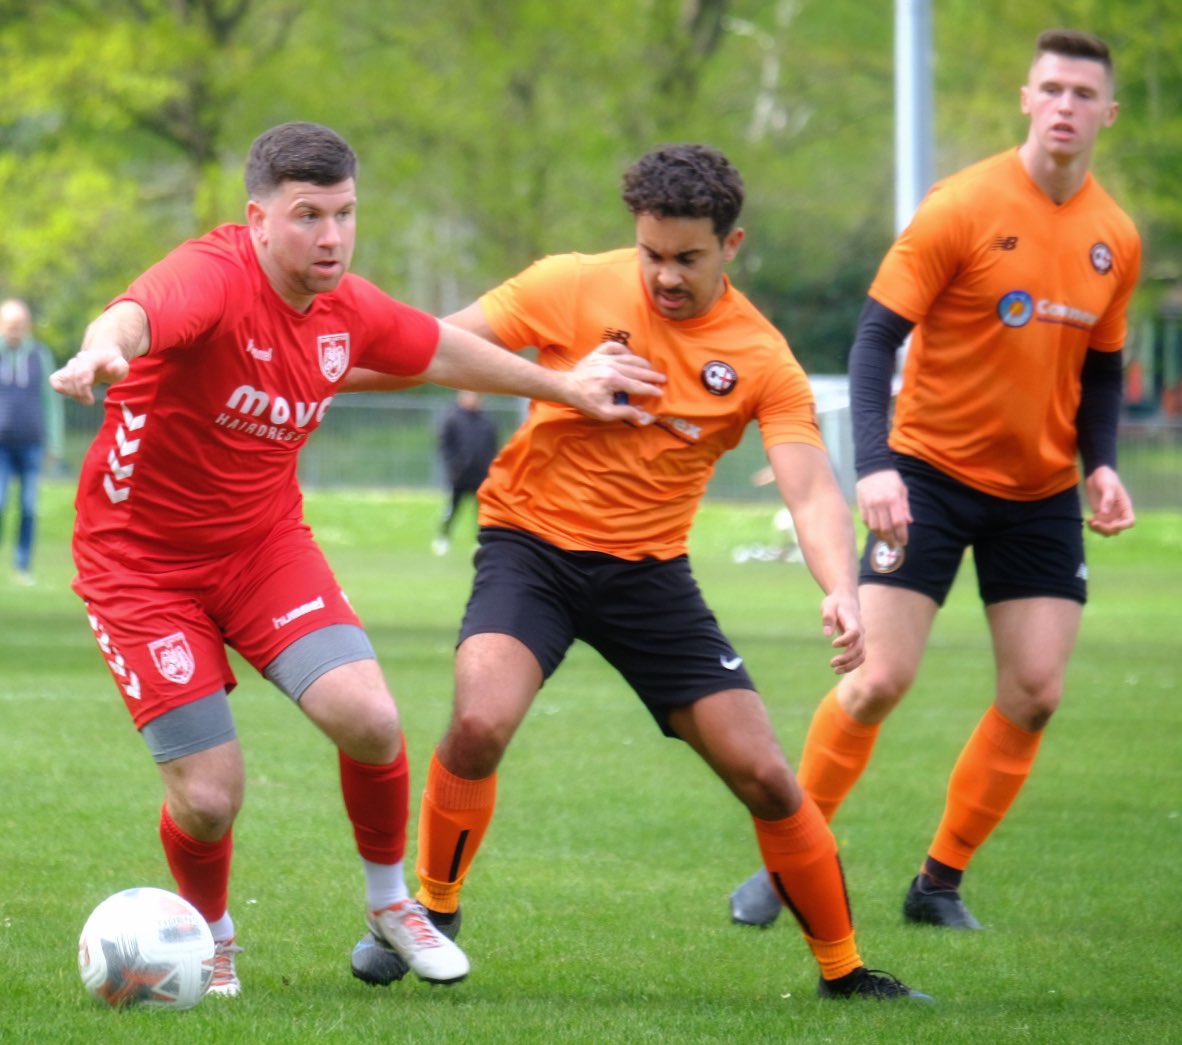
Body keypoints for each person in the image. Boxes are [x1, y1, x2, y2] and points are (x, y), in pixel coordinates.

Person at [49, 121, 664, 998]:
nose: (331, 236)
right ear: (259, 217)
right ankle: (212, 936)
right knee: (210, 795)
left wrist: (564, 385)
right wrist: (108, 344)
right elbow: (140, 311)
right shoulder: (212, 277)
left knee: (371, 718)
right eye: (308, 216)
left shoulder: (347, 308)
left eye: (344, 214)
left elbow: (438, 347)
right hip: (140, 568)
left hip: (262, 548)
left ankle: (390, 904)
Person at [346, 144, 931, 1001]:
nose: (662, 275)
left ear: (732, 245)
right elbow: (429, 348)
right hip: (530, 549)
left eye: (686, 258)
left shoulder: (762, 357)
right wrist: (308, 376)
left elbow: (808, 488)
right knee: (479, 720)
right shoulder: (572, 282)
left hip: (650, 577)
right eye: (650, 253)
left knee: (766, 774)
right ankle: (432, 907)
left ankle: (845, 972)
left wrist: (840, 587)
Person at [729, 27, 1140, 932]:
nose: (1066, 106)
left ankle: (938, 883)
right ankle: (789, 859)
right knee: (878, 678)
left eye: (1084, 94)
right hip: (928, 477)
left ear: (1106, 113)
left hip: (1037, 495)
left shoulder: (1116, 235)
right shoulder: (962, 204)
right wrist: (876, 467)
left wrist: (1100, 463)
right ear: (1027, 100)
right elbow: (875, 339)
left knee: (1035, 691)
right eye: (1052, 90)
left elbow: (1103, 368)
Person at [0, 298, 63, 585]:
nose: (15, 330)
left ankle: (22, 566)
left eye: (19, 325)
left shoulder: (40, 355)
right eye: (9, 325)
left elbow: (51, 402)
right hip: (1, 444)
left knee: (28, 506)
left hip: (32, 443)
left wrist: (55, 444)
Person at [432, 390, 498, 555]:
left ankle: (479, 542)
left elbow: (493, 446)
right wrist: (454, 465)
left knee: (482, 512)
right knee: (453, 508)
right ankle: (443, 537)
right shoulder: (453, 418)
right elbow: (444, 445)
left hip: (481, 475)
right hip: (459, 476)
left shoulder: (486, 421)